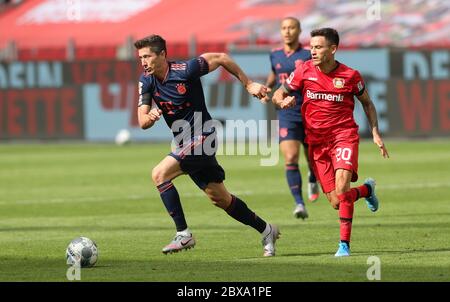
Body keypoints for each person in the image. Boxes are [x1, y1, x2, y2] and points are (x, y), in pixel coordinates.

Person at [134, 34, 280, 257]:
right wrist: (151, 117)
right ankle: (266, 230)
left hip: (204, 136)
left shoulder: (187, 69)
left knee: (159, 174)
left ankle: (183, 234)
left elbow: (221, 58)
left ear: (162, 54)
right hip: (184, 141)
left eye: (147, 56)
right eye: (141, 57)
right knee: (220, 199)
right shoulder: (146, 81)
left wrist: (248, 83)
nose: (143, 62)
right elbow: (142, 121)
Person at [272, 28, 389, 257]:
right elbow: (278, 94)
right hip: (316, 142)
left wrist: (375, 131)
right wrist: (282, 101)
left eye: (318, 47)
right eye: (311, 47)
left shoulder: (350, 76)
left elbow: (367, 103)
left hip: (343, 136)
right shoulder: (304, 70)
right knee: (337, 201)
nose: (312, 51)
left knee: (343, 188)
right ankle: (366, 189)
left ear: (332, 49)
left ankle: (344, 245)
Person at [265, 16, 320, 220]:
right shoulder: (274, 55)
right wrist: (266, 88)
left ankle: (313, 177)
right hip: (286, 113)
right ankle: (299, 203)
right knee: (290, 157)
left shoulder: (308, 54)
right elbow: (274, 74)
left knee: (313, 158)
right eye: (284, 28)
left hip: (309, 111)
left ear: (299, 31)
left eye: (291, 28)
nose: (287, 31)